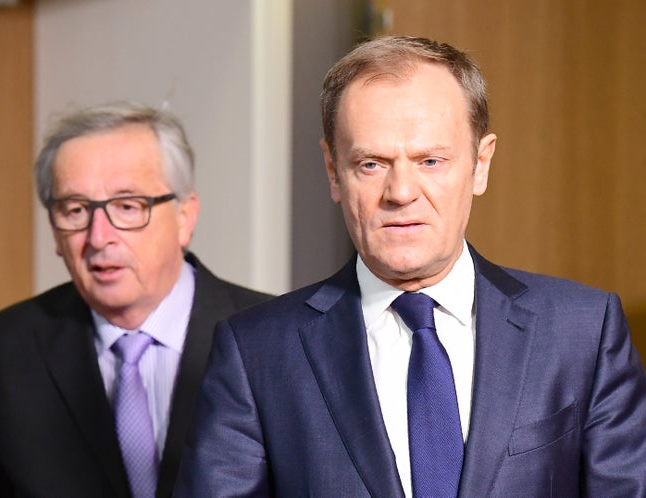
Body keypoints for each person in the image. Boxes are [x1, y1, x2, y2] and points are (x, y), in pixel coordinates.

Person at [174, 36, 646, 497]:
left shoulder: (584, 331)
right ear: (333, 170)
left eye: (430, 160)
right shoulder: (256, 353)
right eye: (372, 164)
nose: (401, 192)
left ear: (481, 164)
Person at [0, 101, 272, 498]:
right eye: (75, 210)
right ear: (55, 232)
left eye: (127, 206)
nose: (99, 236)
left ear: (184, 217)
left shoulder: (274, 335)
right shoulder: (7, 346)